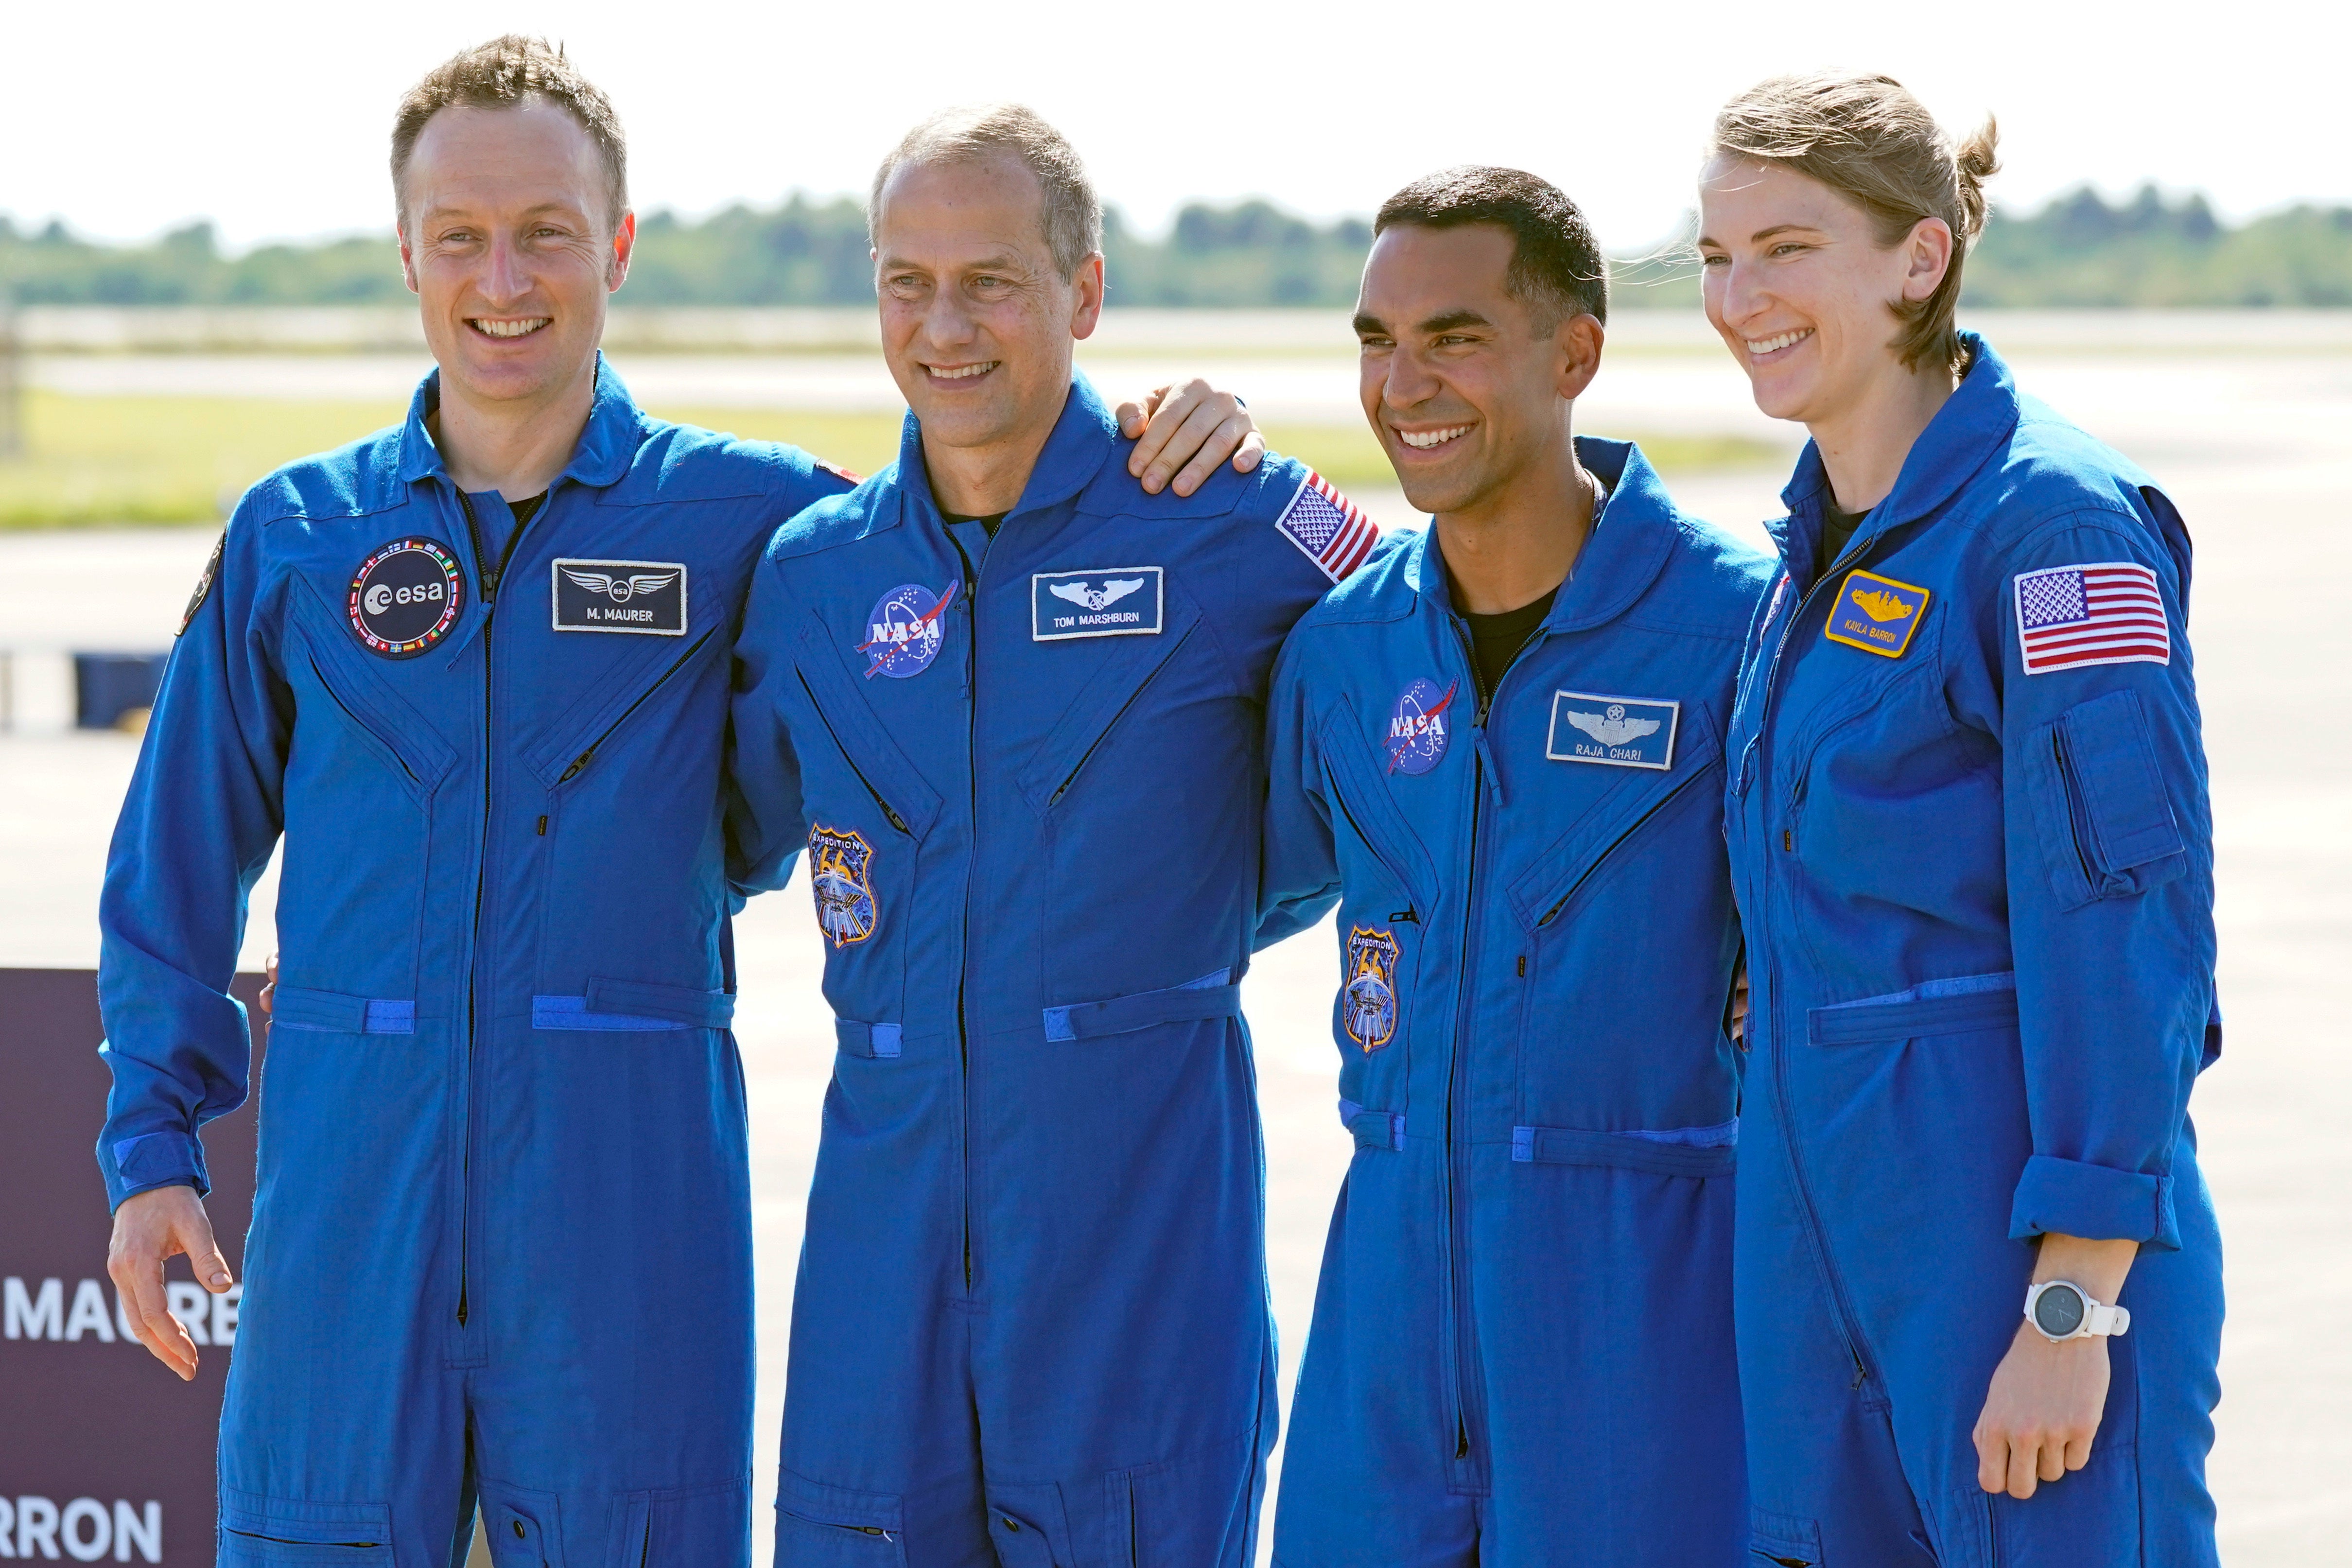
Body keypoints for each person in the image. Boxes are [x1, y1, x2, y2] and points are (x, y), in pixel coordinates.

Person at [94, 38, 1260, 1568]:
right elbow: (177, 856)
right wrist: (155, 1145)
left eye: (548, 233)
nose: (502, 278)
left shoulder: (760, 521)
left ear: (619, 246)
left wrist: (1169, 438)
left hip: (624, 1228)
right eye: (461, 237)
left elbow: (982, 534)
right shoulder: (297, 538)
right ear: (408, 252)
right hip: (347, 1231)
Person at [727, 105, 1378, 1566]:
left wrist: (1225, 903)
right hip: (875, 1276)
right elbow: (694, 831)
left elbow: (1445, 656)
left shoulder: (1223, 518)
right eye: (908, 280)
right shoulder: (816, 578)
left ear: (1085, 294)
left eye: (993, 280)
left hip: (1139, 1268)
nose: (944, 326)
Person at [1698, 73, 2224, 1566]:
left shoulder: (2051, 528)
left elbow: (2128, 923)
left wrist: (2074, 1300)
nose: (1740, 296)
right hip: (1827, 1284)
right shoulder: (1809, 557)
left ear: (1918, 259)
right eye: (1718, 254)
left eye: (1787, 247)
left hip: (2015, 1295)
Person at [1256, 168, 1769, 1567]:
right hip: (1386, 1326)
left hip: (1646, 1328)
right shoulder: (1346, 653)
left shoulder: (1739, 635)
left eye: (1457, 337)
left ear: (1577, 354)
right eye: (1376, 339)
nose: (1403, 383)